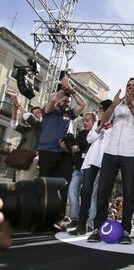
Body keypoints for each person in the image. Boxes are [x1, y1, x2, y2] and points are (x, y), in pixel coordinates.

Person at [87, 78, 134, 244]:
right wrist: (114, 105)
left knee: (129, 193)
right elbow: (104, 121)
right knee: (102, 191)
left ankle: (126, 230)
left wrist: (130, 105)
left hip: (131, 154)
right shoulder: (117, 105)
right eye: (128, 85)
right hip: (111, 152)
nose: (130, 87)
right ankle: (97, 228)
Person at [38, 77, 86, 228]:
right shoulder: (48, 111)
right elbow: (52, 101)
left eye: (68, 102)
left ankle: (59, 219)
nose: (66, 103)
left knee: (63, 186)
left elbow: (82, 104)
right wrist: (63, 90)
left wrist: (72, 90)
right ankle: (43, 217)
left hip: (64, 154)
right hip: (46, 152)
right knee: (46, 186)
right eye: (64, 101)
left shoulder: (69, 115)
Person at [66, 112, 96, 230]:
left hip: (93, 169)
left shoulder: (99, 134)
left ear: (94, 122)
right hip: (79, 167)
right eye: (84, 120)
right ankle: (74, 218)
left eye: (87, 120)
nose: (84, 122)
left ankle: (90, 222)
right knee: (72, 189)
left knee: (93, 194)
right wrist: (69, 145)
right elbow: (75, 148)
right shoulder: (81, 134)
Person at [9, 94, 42, 181]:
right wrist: (15, 111)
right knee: (17, 185)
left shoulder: (42, 126)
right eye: (33, 113)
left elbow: (30, 118)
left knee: (24, 185)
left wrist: (18, 104)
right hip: (20, 158)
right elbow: (13, 125)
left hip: (31, 159)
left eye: (38, 113)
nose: (35, 115)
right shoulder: (28, 129)